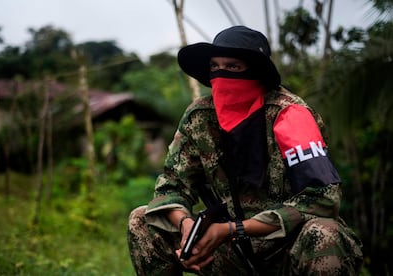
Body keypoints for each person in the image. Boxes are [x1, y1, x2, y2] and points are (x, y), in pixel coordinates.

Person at [127, 25, 363, 275]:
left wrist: (235, 228)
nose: (222, 74)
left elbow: (322, 198)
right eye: (215, 67)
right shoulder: (200, 117)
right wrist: (186, 226)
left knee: (324, 233)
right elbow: (172, 186)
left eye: (233, 67)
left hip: (287, 248)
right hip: (227, 249)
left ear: (256, 72)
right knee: (141, 219)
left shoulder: (289, 115)